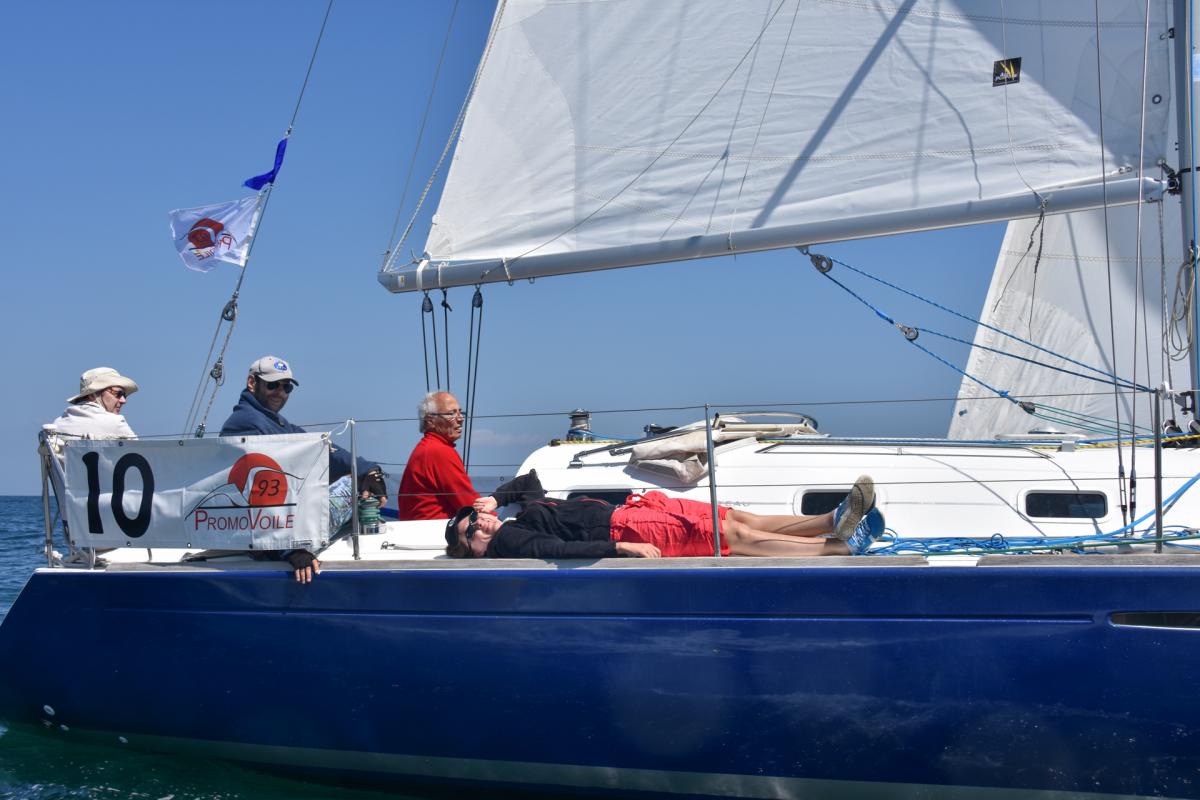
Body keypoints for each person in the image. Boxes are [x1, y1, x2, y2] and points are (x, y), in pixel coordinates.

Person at [219, 356, 387, 583]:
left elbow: (323, 450)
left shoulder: (276, 423)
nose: (280, 392)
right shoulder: (244, 424)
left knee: (359, 479)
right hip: (269, 536)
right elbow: (254, 500)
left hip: (285, 520)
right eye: (273, 385)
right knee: (354, 485)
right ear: (252, 383)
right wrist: (290, 549)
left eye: (286, 387)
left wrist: (368, 470)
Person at [445, 476, 884, 559]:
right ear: (473, 550)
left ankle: (831, 520)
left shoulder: (515, 519)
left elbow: (530, 483)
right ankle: (838, 548)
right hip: (626, 526)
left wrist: (493, 499)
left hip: (638, 510)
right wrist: (620, 546)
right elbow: (559, 549)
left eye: (474, 519)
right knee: (730, 535)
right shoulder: (511, 542)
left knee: (735, 518)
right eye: (472, 531)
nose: (481, 524)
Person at [399, 391, 501, 520]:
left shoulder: (426, 448)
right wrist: (499, 522)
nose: (460, 419)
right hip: (436, 530)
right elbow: (469, 503)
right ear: (430, 421)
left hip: (420, 527)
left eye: (460, 412)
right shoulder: (439, 451)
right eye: (451, 414)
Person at [44, 367, 139, 439]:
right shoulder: (116, 423)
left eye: (124, 395)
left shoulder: (58, 424)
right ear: (93, 395)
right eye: (118, 394)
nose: (123, 400)